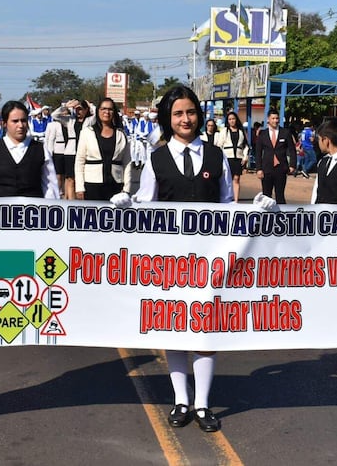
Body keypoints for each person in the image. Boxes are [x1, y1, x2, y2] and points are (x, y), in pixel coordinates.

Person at [133, 85, 233, 433]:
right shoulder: (155, 158)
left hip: (209, 261)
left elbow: (228, 206)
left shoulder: (217, 157)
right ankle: (181, 400)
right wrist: (125, 206)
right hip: (170, 262)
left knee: (206, 329)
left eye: (190, 112)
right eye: (177, 113)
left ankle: (203, 404)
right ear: (167, 118)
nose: (185, 119)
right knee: (174, 328)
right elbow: (145, 205)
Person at [0, 100, 59, 198]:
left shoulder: (41, 150)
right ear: (4, 123)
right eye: (15, 121)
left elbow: (50, 186)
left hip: (33, 210)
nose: (20, 125)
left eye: (23, 120)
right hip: (1, 211)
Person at [74, 97, 132, 201]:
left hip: (116, 184)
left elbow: (127, 162)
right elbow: (79, 161)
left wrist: (126, 188)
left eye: (110, 109)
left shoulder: (121, 134)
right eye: (103, 109)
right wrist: (79, 188)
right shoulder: (87, 133)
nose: (107, 112)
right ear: (98, 111)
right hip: (92, 184)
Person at [51, 99, 92, 199]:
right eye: (77, 109)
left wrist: (89, 104)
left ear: (86, 110)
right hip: (71, 151)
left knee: (82, 178)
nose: (79, 111)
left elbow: (97, 113)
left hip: (84, 151)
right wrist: (65, 106)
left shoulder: (90, 120)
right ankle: (71, 202)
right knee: (70, 178)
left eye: (81, 109)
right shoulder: (70, 120)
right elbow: (54, 115)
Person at [255, 109, 295, 204]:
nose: (275, 120)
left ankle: (281, 217)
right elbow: (258, 152)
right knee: (266, 196)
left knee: (280, 195)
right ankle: (265, 217)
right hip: (266, 169)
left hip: (281, 169)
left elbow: (292, 150)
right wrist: (259, 169)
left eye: (277, 118)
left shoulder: (285, 132)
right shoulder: (262, 134)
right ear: (268, 119)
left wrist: (292, 165)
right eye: (273, 118)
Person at [214, 111, 249, 202]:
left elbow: (245, 145)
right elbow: (219, 145)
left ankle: (236, 200)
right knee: (226, 178)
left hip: (238, 157)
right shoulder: (224, 131)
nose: (232, 121)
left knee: (236, 178)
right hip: (227, 157)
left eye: (233, 119)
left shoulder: (241, 131)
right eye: (230, 119)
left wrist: (245, 157)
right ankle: (226, 198)